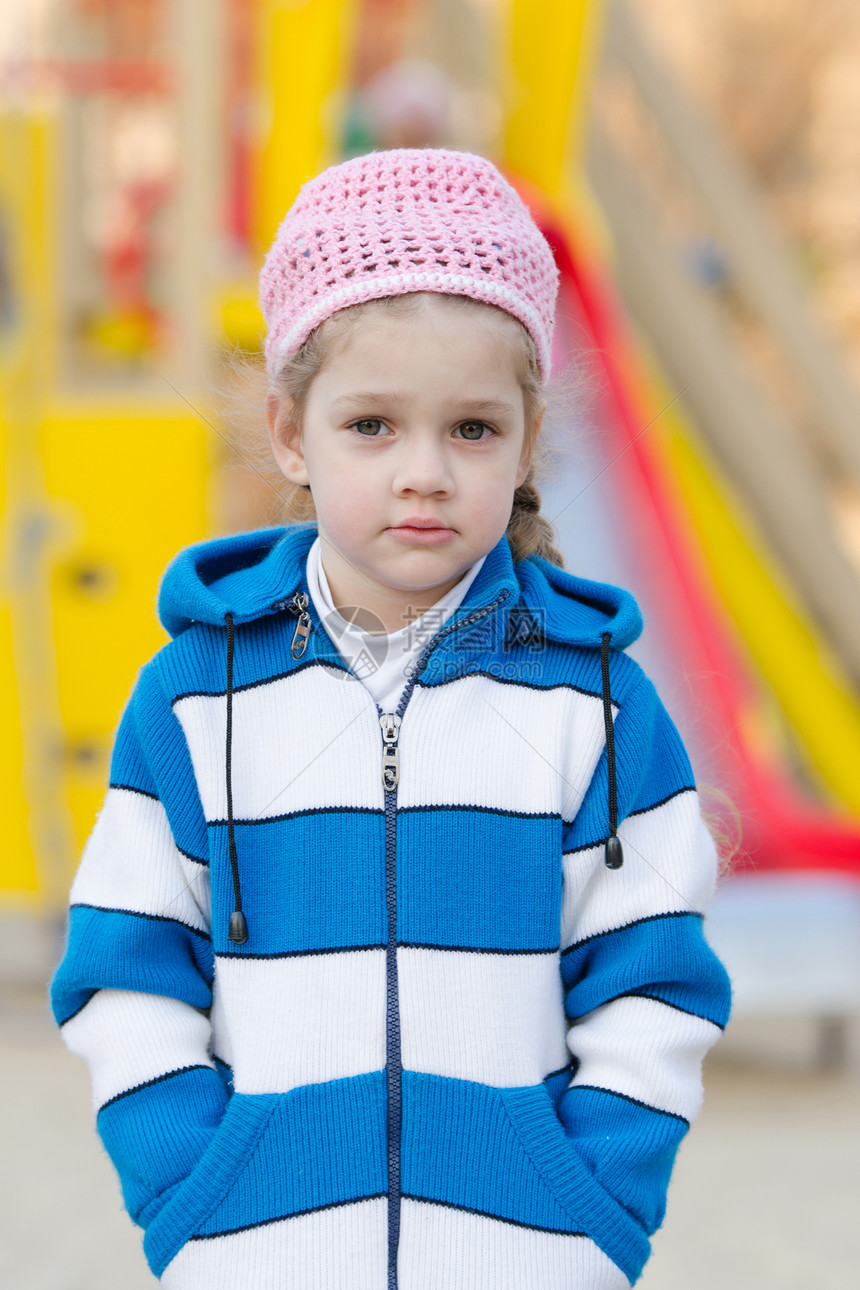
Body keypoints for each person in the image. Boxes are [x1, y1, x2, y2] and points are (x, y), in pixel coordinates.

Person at [50, 148, 731, 1290]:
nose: (424, 472)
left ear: (525, 444)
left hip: (527, 1260)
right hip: (256, 1257)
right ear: (287, 433)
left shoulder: (595, 701)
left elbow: (650, 975)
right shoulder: (193, 695)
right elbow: (126, 965)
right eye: (371, 425)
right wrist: (191, 1192)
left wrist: (593, 1206)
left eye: (470, 430)